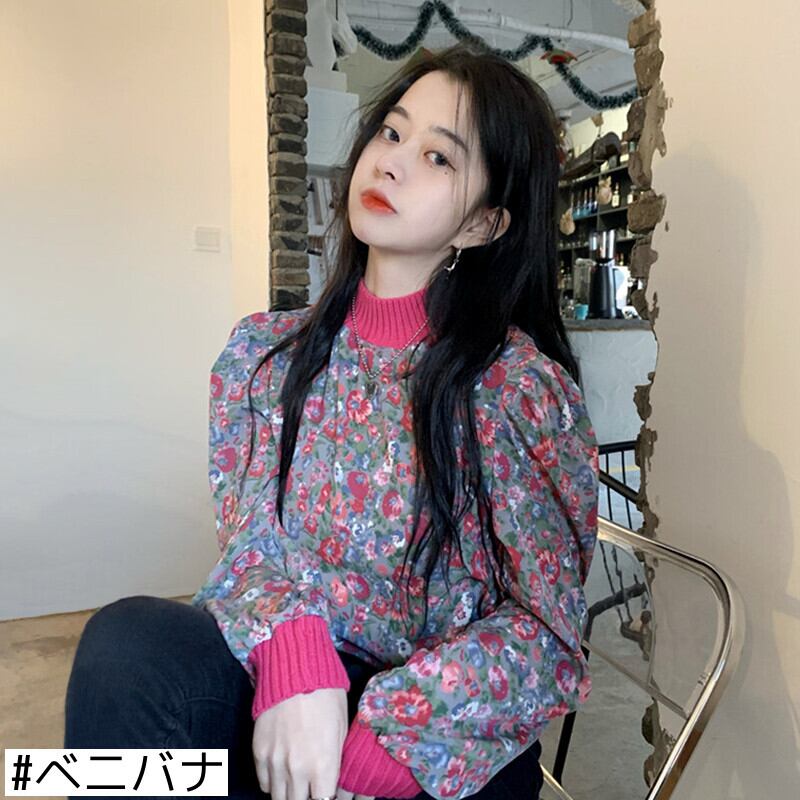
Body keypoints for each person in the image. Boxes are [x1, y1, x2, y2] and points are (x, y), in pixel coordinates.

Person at [64, 43, 599, 800]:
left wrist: (390, 735)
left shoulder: (518, 391)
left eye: (438, 157)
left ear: (483, 224)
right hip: (293, 708)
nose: (392, 162)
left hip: (441, 738)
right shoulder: (266, 359)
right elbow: (250, 546)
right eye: (391, 132)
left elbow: (548, 634)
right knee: (128, 648)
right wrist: (292, 653)